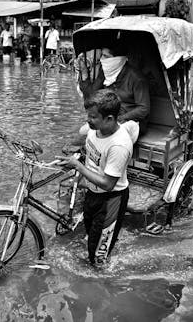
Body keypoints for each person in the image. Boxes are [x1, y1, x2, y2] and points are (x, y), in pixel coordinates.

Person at [56, 90, 139, 266]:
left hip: (111, 200)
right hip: (92, 193)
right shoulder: (94, 130)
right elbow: (90, 158)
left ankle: (102, 284)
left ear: (109, 119)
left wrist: (77, 166)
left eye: (93, 117)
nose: (88, 120)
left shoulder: (119, 145)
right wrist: (78, 178)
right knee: (91, 237)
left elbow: (108, 184)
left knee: (98, 257)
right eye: (88, 115)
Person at [75, 47, 150, 135]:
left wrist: (120, 118)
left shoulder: (136, 78)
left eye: (106, 56)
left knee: (107, 133)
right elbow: (91, 95)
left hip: (131, 121)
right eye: (102, 55)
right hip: (108, 118)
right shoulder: (105, 73)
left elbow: (143, 109)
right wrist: (84, 72)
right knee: (83, 131)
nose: (101, 59)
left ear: (117, 59)